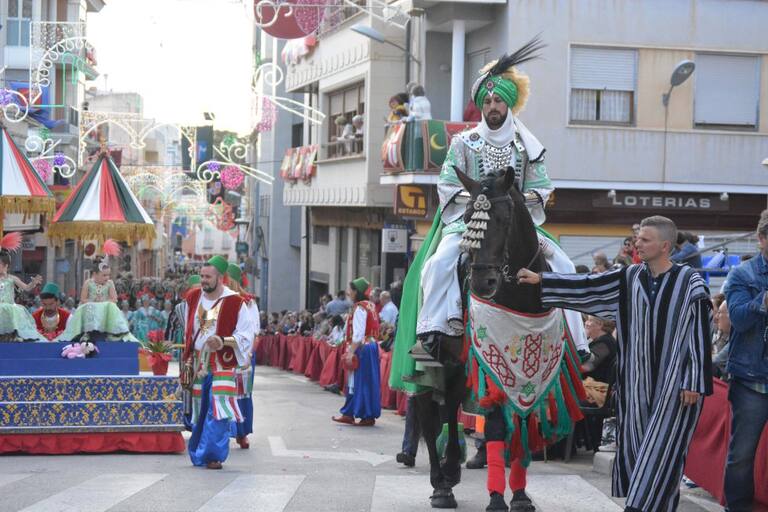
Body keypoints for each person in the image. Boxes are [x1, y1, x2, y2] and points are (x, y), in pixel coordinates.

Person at [406, 38, 588, 361]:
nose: (492, 106)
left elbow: (542, 189)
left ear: (509, 105)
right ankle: (434, 332)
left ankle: (576, 343)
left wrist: (513, 200)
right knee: (438, 263)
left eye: (498, 101)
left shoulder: (527, 146)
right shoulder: (463, 142)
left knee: (565, 265)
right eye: (487, 101)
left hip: (516, 222)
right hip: (471, 224)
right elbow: (447, 184)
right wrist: (480, 199)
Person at [518, 215, 713, 512]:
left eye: (645, 240)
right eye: (637, 239)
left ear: (665, 246)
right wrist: (543, 280)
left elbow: (700, 332)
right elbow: (589, 286)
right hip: (636, 383)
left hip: (676, 386)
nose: (637, 244)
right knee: (638, 450)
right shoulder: (630, 277)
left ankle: (635, 507)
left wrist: (694, 380)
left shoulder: (690, 283)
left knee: (663, 450)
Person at [182, 256, 256, 470]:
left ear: (220, 278)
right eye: (202, 276)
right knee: (200, 409)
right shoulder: (193, 297)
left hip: (223, 362)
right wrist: (188, 359)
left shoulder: (235, 302)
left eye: (208, 277)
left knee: (219, 408)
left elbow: (246, 334)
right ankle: (199, 451)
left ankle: (213, 455)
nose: (203, 280)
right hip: (199, 362)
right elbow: (189, 330)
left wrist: (223, 341)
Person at [722, 210, 768, 512]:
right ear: (761, 239)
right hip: (752, 381)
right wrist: (763, 301)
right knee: (742, 455)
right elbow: (737, 320)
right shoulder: (743, 274)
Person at [332, 278, 381, 427]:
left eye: (351, 290)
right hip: (370, 346)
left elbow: (358, 333)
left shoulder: (360, 308)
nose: (349, 293)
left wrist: (350, 352)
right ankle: (349, 412)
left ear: (356, 292)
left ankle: (366, 415)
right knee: (358, 381)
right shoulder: (370, 305)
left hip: (362, 347)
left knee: (362, 381)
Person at [226, 263, 260, 450]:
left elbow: (254, 332)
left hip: (243, 353)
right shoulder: (220, 299)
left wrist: (248, 354)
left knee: (242, 393)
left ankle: (242, 432)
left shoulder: (248, 302)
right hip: (224, 352)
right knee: (222, 392)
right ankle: (223, 431)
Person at [59, 261, 136, 342]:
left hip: (105, 308)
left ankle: (113, 332)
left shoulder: (109, 283)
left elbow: (114, 299)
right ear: (95, 274)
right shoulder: (88, 283)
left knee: (112, 306)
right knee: (89, 307)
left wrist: (103, 301)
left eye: (108, 275)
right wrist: (93, 301)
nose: (107, 277)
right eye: (104, 275)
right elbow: (83, 299)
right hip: (90, 306)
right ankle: (87, 332)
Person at [0, 240, 45, 342]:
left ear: (6, 265)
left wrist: (33, 283)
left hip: (9, 308)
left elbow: (26, 288)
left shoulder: (12, 278)